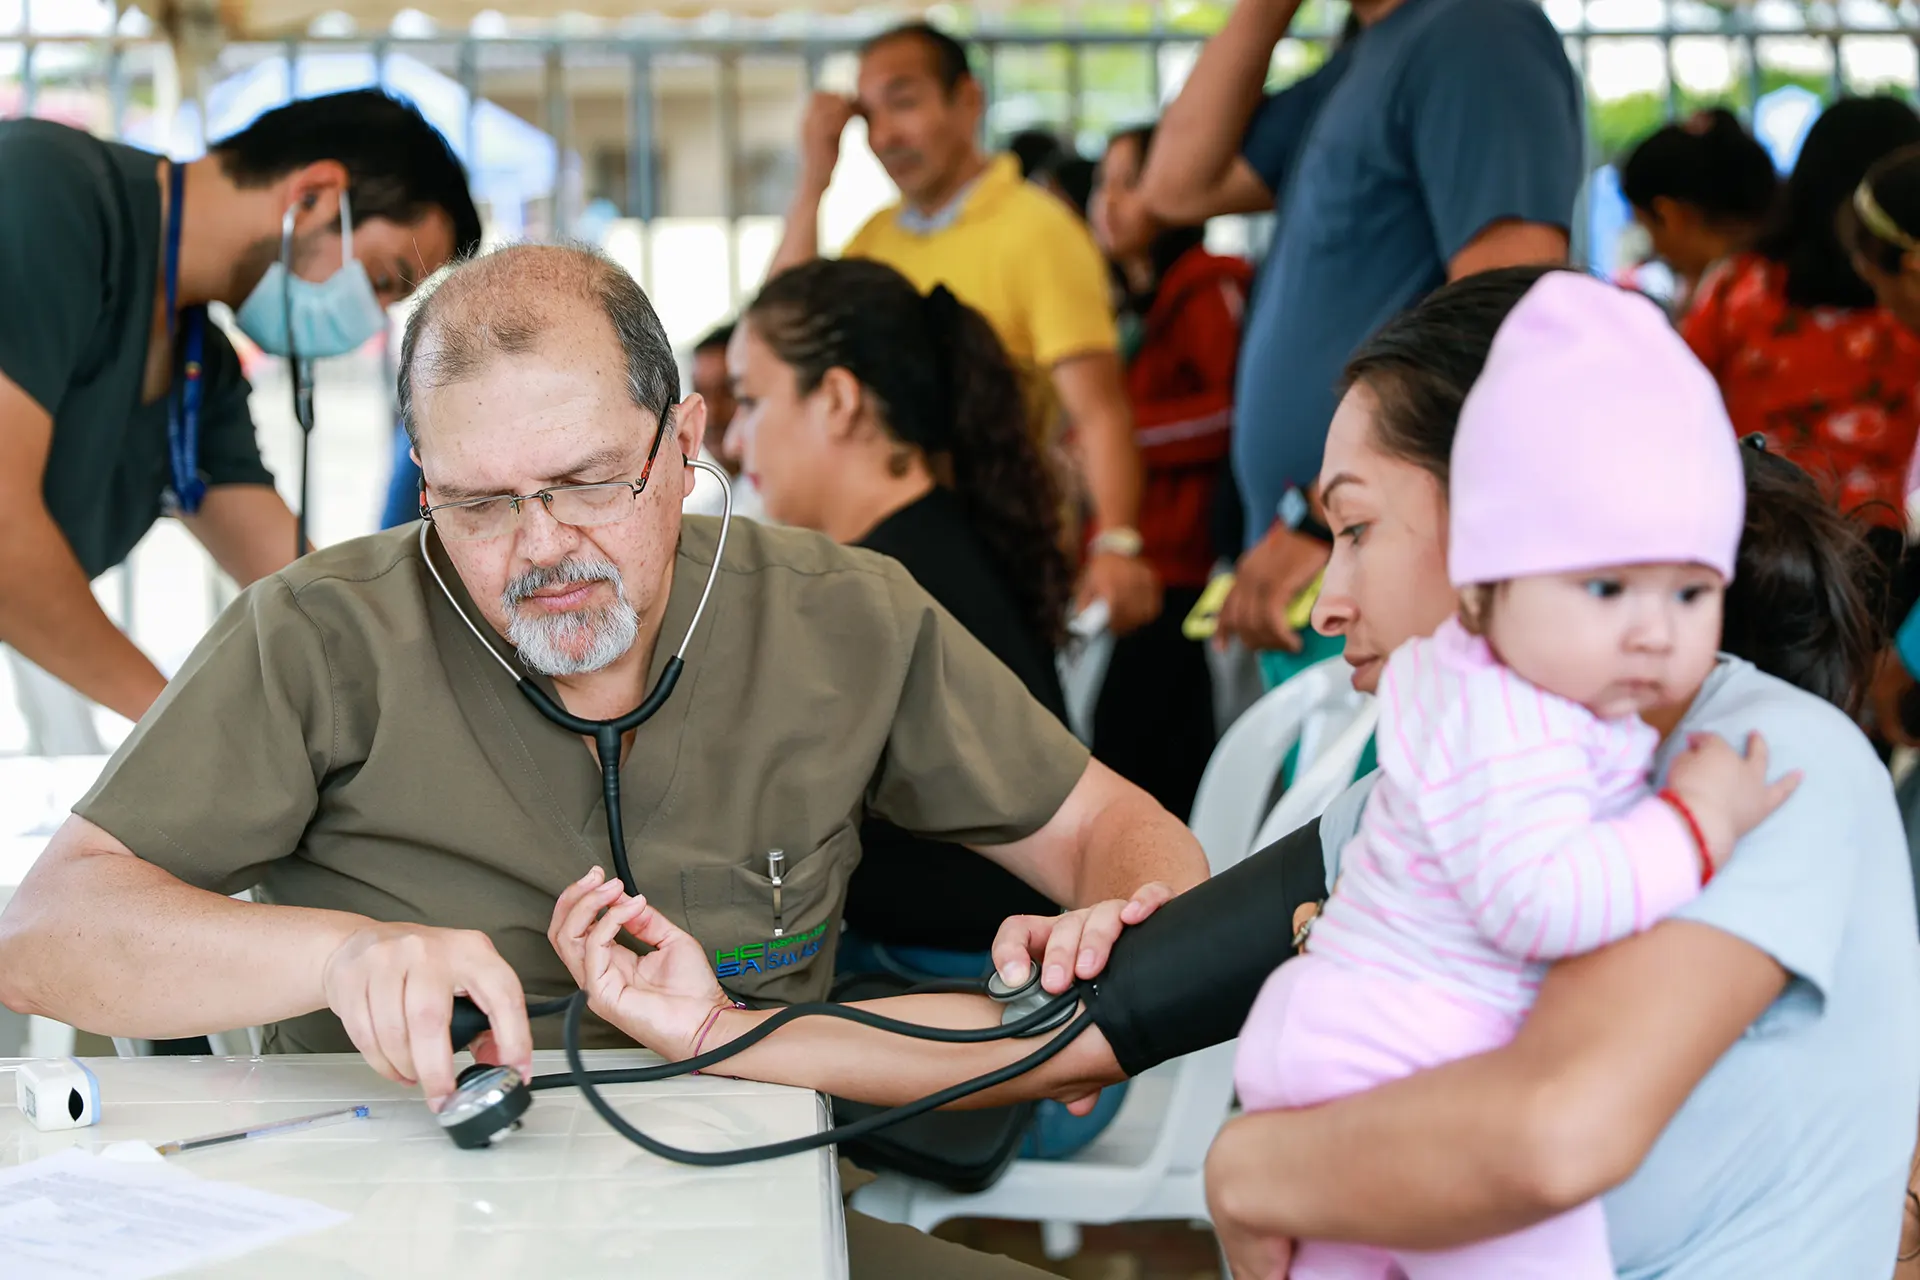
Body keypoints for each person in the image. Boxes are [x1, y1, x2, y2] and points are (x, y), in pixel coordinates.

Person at [546, 266, 1918, 1279]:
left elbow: (1550, 1132)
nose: (1325, 606)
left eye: (1356, 529)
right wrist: (720, 1032)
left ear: (1511, 498)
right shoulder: (1429, 788)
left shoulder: (1768, 766)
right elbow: (1067, 1028)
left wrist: (1254, 1168)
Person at [0, 243, 1210, 1280]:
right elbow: (46, 933)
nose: (542, 547)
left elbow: (1115, 828)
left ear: (684, 442)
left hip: (753, 1225)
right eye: (477, 504)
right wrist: (342, 952)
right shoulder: (320, 636)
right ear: (424, 481)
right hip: (398, 1235)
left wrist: (1120, 931)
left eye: (586, 483)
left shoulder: (845, 619)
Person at [1234, 273, 1798, 1278]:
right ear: (1491, 553)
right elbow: (1546, 896)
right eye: (1608, 583)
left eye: (1688, 590)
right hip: (1405, 1066)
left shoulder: (1457, 687)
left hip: (1346, 1058)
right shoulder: (1522, 715)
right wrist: (1694, 828)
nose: (1649, 627)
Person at [729, 257, 1128, 1157]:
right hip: (1002, 1010)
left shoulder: (878, 591)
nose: (739, 445)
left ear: (836, 400)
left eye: (752, 404)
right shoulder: (939, 540)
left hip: (999, 1041)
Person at [0, 89, 481, 724]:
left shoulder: (199, 366)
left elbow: (309, 598)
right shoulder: (44, 192)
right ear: (314, 195)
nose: (366, 318)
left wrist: (429, 690)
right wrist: (179, 729)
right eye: (379, 279)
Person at [1136, 0, 1582, 673]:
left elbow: (1506, 321)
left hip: (1380, 564)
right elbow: (1173, 189)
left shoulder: (1476, 32)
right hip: (1327, 558)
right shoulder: (1366, 57)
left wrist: (1329, 519)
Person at [769, 22, 1161, 638]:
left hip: (998, 560)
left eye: (905, 102)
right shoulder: (875, 238)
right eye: (868, 115)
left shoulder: (1038, 231)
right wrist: (813, 178)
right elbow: (776, 335)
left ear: (968, 100)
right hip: (884, 559)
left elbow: (1102, 410)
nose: (886, 135)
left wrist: (1117, 542)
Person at [1087, 123, 1252, 818]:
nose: (1110, 203)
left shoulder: (1209, 284)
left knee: (1150, 765)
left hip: (1185, 575)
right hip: (1143, 567)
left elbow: (1232, 411)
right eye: (1103, 184)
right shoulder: (1132, 305)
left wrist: (1122, 439)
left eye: (1132, 183)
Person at [1683, 95, 1920, 530]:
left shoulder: (1739, 288)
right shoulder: (1908, 299)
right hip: (1896, 548)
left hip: (1763, 546)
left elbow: (1680, 404)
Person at [1619, 108, 1778, 313]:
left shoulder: (1729, 305)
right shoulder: (1786, 277)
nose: (1655, 249)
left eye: (1646, 227)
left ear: (1670, 215)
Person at [685, 321, 767, 523]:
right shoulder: (714, 508)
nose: (712, 413)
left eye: (730, 393)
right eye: (701, 394)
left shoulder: (782, 510)